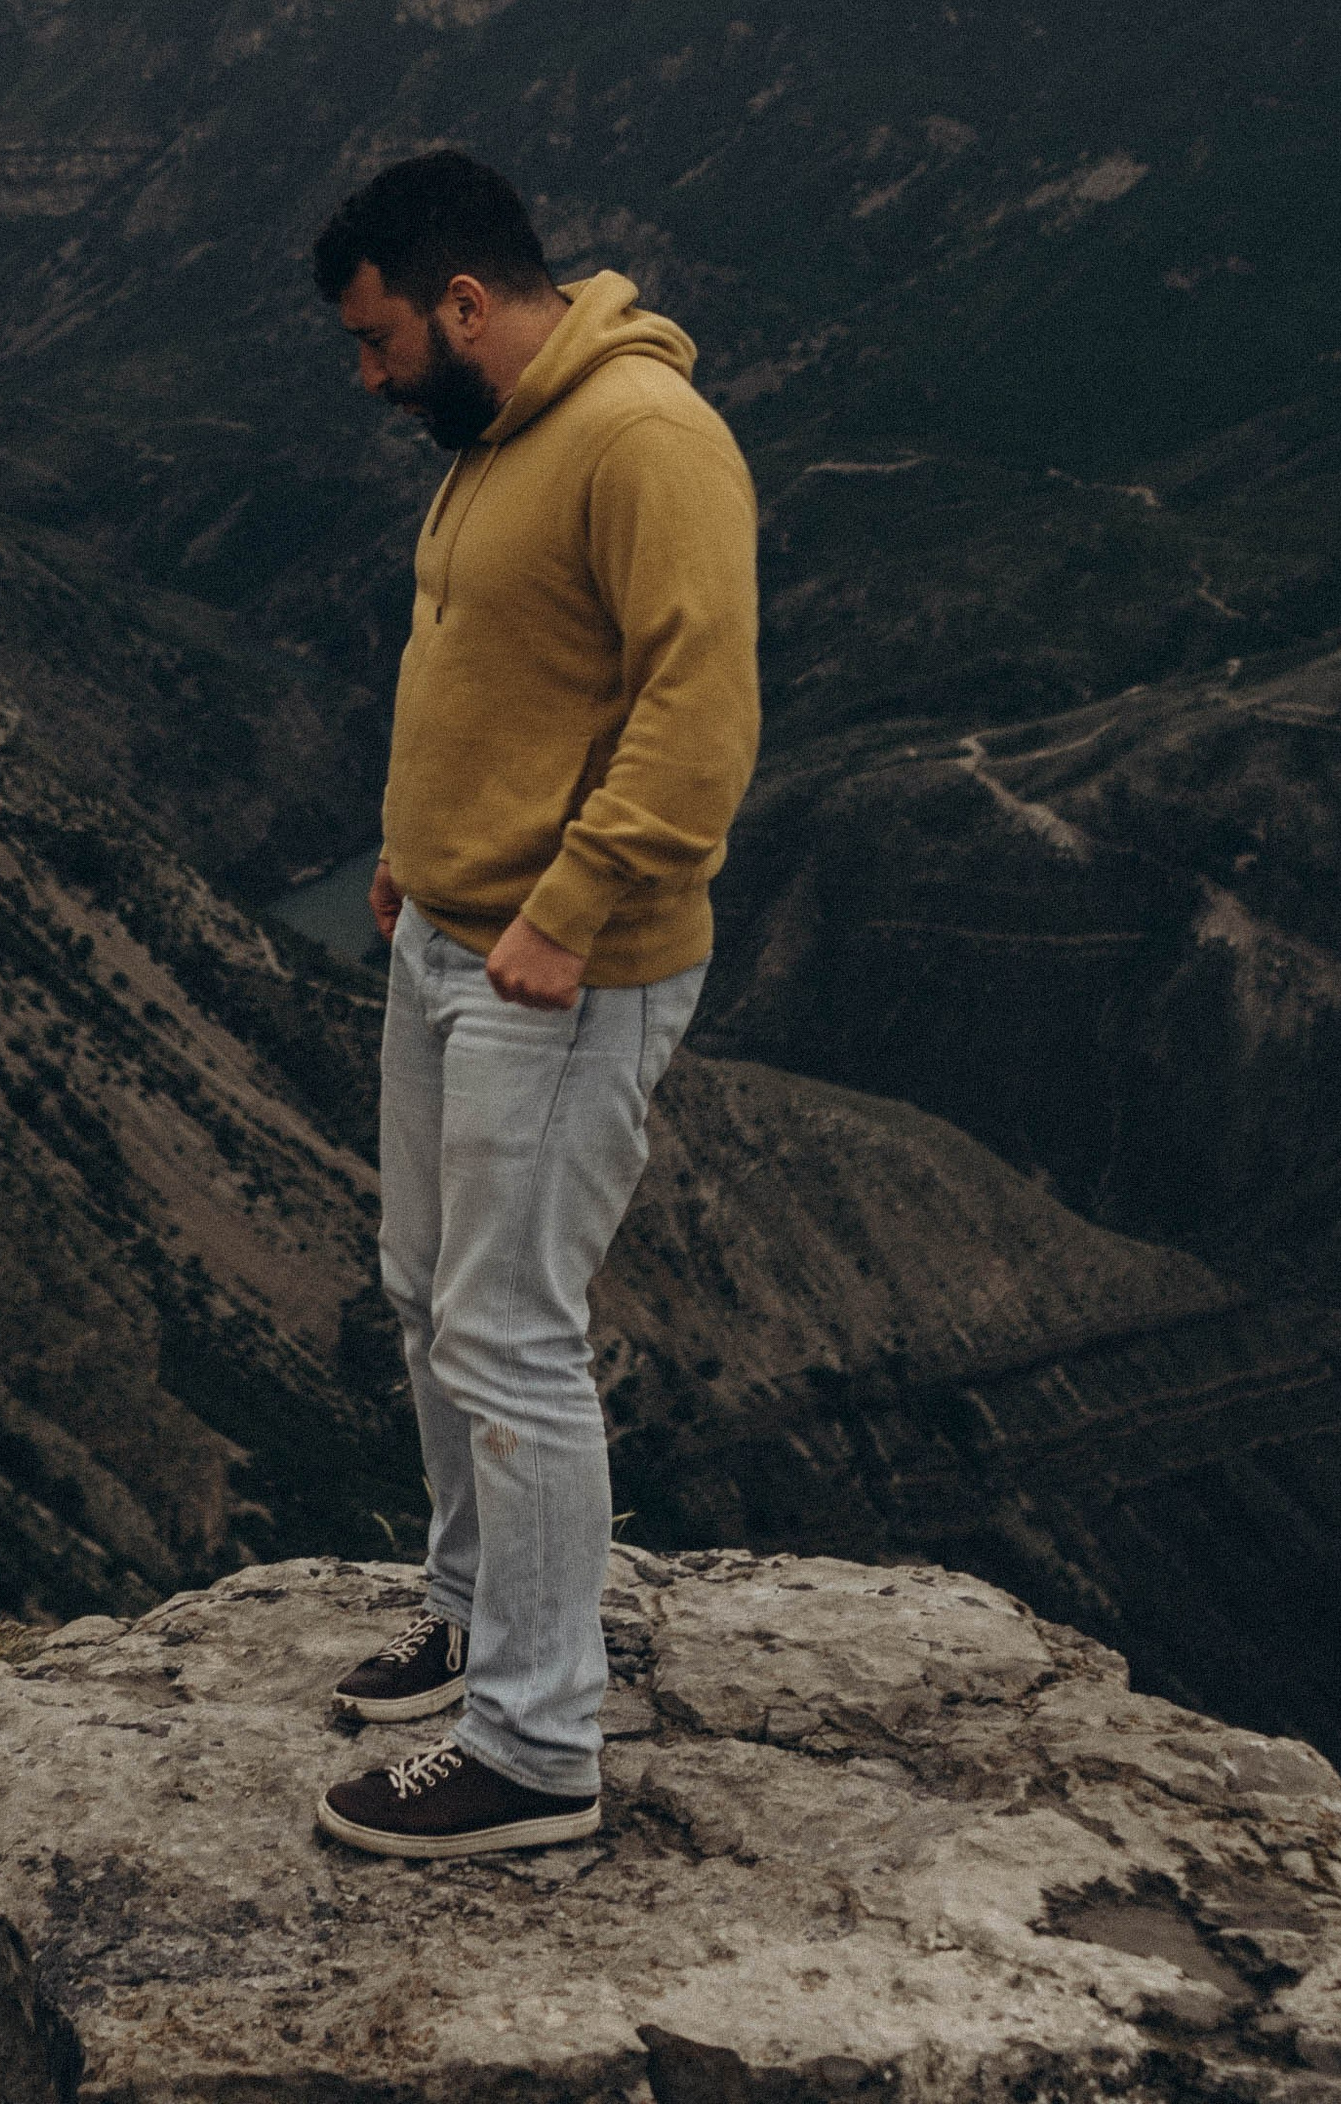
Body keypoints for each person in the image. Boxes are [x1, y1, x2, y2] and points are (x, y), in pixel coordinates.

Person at [307, 148, 759, 1861]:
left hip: (562, 971)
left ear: (464, 304)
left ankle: (536, 1747)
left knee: (509, 1330)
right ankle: (471, 1610)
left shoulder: (644, 439)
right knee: (425, 1288)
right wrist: (413, 852)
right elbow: (493, 666)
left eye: (379, 341)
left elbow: (699, 715)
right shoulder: (498, 432)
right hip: (452, 937)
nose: (369, 378)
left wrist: (567, 911)